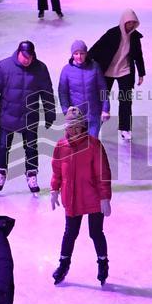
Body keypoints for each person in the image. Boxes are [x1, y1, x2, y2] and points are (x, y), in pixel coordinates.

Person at [0, 39, 56, 193]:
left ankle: (31, 174)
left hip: (30, 117)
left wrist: (50, 114)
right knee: (2, 147)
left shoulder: (40, 69)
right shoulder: (4, 66)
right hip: (7, 116)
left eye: (30, 57)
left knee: (31, 148)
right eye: (25, 56)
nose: (27, 60)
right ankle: (1, 172)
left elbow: (47, 93)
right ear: (19, 52)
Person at [50, 107, 112, 286]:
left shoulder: (93, 145)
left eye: (78, 127)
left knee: (96, 232)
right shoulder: (61, 146)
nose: (74, 131)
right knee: (70, 233)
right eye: (71, 127)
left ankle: (102, 263)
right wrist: (54, 190)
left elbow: (103, 173)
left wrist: (105, 198)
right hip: (72, 198)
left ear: (84, 127)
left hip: (94, 198)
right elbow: (57, 171)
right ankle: (63, 264)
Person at [89, 10, 145, 141]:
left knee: (126, 100)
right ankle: (95, 125)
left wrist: (141, 73)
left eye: (133, 23)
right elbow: (96, 48)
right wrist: (86, 62)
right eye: (128, 23)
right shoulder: (112, 33)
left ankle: (125, 128)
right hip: (107, 71)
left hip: (125, 71)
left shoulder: (135, 37)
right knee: (101, 99)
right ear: (123, 22)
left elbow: (138, 56)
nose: (130, 25)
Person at [58, 40, 110, 136]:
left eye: (82, 53)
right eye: (76, 53)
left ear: (86, 53)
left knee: (92, 143)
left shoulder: (95, 67)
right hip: (76, 116)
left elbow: (102, 89)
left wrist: (105, 109)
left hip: (94, 114)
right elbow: (63, 93)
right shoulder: (66, 70)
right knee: (78, 144)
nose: (79, 56)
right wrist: (66, 110)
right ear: (72, 54)